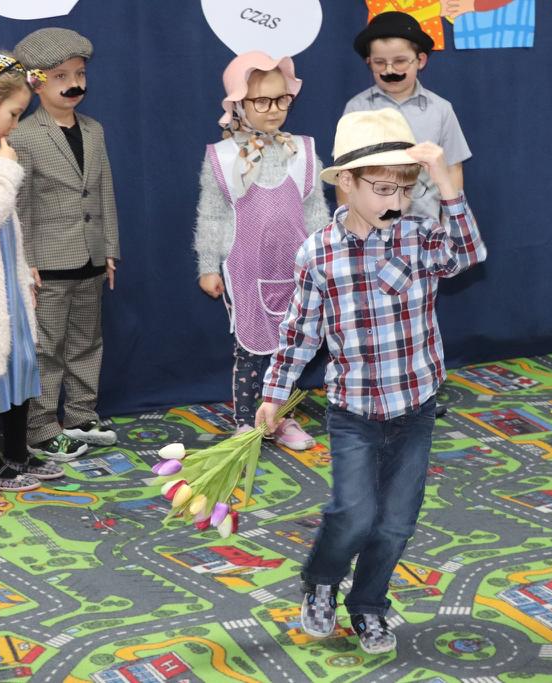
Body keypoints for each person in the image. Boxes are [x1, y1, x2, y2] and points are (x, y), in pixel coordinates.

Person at [255, 108, 486, 654]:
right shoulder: (318, 252)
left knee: (396, 523)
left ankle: (368, 605)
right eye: (383, 190)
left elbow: (469, 253)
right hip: (353, 411)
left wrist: (446, 183)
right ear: (347, 183)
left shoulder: (419, 237)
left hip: (416, 406)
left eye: (405, 190)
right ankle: (321, 580)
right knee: (354, 513)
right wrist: (274, 394)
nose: (396, 202)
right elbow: (300, 332)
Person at [194, 51, 328, 447]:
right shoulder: (223, 157)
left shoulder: (303, 151)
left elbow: (317, 212)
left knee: (292, 348)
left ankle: (283, 419)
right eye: (262, 101)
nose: (274, 109)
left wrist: (326, 261)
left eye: (282, 99)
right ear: (238, 104)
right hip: (247, 271)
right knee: (250, 351)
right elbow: (211, 215)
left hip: (297, 271)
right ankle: (246, 422)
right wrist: (208, 266)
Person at [344, 10, 473, 417]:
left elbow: (453, 168)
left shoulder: (440, 110)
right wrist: (348, 222)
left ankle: (422, 392)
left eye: (400, 60)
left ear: (421, 60)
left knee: (418, 314)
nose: (390, 70)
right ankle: (371, 392)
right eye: (380, 63)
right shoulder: (357, 108)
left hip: (423, 233)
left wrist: (451, 222)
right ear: (369, 64)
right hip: (371, 233)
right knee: (371, 313)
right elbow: (346, 173)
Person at [11, 28, 119, 459]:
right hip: (49, 263)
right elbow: (19, 206)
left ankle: (80, 415)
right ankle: (40, 427)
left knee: (87, 341)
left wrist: (110, 248)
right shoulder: (24, 135)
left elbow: (104, 191)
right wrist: (26, 261)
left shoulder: (93, 130)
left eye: (80, 74)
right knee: (47, 347)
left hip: (90, 257)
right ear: (36, 83)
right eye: (61, 76)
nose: (74, 84)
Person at [0, 50, 64, 490]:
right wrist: (7, 171)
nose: (15, 125)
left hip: (6, 278)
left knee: (19, 365)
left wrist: (24, 268)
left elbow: (9, 223)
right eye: (12, 114)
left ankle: (18, 453)